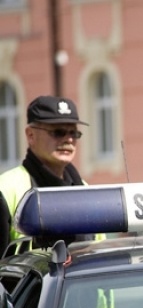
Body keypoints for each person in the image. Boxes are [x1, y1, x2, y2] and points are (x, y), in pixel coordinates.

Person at [0, 95, 90, 252]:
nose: (68, 140)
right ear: (31, 135)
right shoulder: (6, 189)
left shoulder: (87, 191)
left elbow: (99, 252)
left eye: (74, 133)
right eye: (58, 132)